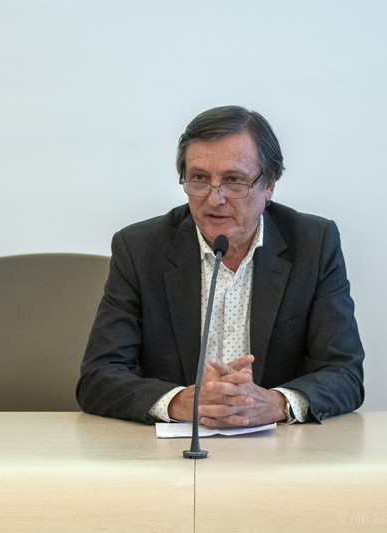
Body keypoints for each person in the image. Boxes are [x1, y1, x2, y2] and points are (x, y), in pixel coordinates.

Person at [76, 106, 364, 427]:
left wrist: (274, 403)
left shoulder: (313, 244)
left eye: (234, 180)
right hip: (169, 450)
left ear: (269, 185)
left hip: (280, 448)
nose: (215, 199)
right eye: (199, 179)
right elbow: (99, 376)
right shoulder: (139, 249)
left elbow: (345, 373)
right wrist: (181, 403)